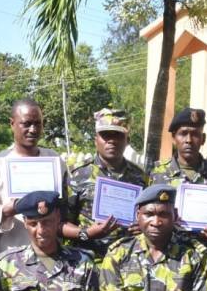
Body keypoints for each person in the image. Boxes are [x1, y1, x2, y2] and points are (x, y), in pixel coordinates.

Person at [0, 99, 69, 263]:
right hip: (11, 259)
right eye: (26, 124)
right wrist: (10, 209)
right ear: (12, 124)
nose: (33, 129)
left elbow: (64, 209)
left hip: (51, 256)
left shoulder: (55, 160)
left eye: (38, 123)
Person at [62, 108, 146, 258]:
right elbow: (60, 224)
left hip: (129, 261)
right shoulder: (78, 176)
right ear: (96, 140)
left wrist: (143, 226)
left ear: (127, 140)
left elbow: (149, 216)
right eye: (105, 135)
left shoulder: (140, 178)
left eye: (118, 135)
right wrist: (87, 233)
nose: (112, 140)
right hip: (88, 261)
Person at [150, 108, 207, 249]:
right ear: (173, 137)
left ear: (203, 139)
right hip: (170, 258)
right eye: (183, 134)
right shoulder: (156, 173)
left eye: (195, 134)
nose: (189, 140)